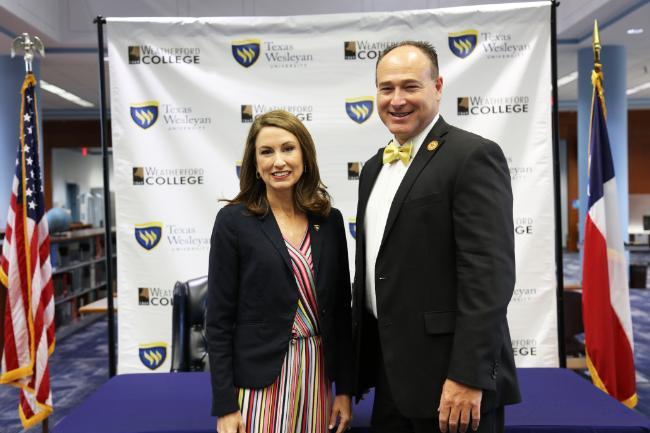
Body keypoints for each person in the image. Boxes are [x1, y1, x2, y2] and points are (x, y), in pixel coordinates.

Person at [352, 41, 521, 433]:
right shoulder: (374, 168)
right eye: (386, 88)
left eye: (410, 86)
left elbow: (489, 277)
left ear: (438, 86)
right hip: (391, 378)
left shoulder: (472, 156)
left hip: (453, 384)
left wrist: (468, 376)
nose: (396, 100)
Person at [206, 110, 353, 433]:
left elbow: (341, 312)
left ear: (304, 155)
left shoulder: (330, 221)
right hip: (259, 380)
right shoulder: (233, 222)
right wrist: (225, 404)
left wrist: (344, 389)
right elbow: (218, 321)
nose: (278, 161)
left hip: (317, 373)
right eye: (266, 152)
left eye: (288, 148)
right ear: (255, 164)